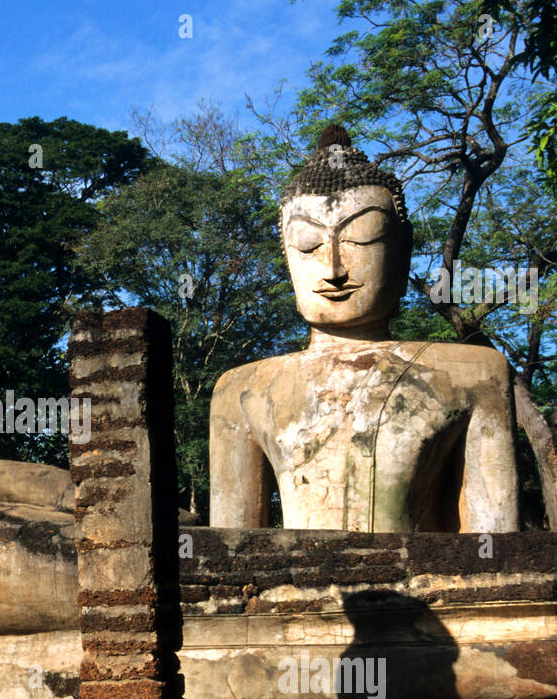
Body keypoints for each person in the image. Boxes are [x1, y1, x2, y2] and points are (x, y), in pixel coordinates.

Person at [209, 125, 519, 533]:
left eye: (362, 237)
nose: (334, 269)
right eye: (307, 245)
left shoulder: (473, 373)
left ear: (403, 249)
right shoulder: (241, 390)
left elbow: (493, 551)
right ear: (287, 258)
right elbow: (233, 549)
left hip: (421, 595)